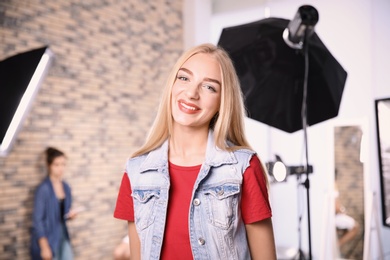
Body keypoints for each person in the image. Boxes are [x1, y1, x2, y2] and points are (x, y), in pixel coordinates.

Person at [114, 43, 276, 259]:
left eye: (209, 87)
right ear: (171, 85)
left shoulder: (243, 167)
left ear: (222, 101)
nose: (191, 93)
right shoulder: (137, 171)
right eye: (184, 78)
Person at [30, 147, 78, 260]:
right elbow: (37, 221)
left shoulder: (66, 187)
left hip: (63, 233)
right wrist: (44, 246)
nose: (60, 168)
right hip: (48, 236)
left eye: (63, 164)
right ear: (49, 165)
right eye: (56, 165)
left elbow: (64, 213)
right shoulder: (43, 189)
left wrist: (70, 216)